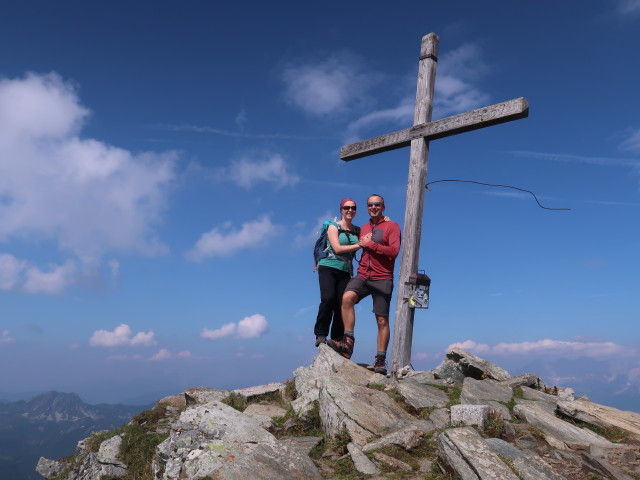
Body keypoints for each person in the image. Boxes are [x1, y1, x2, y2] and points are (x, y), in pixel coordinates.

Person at [327, 194, 401, 375]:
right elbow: (352, 238)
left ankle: (381, 359)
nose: (373, 207)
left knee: (382, 319)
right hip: (363, 275)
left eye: (377, 204)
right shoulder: (364, 228)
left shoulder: (392, 226)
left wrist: (371, 245)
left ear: (383, 207)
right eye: (370, 204)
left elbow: (394, 251)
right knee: (347, 298)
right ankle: (348, 342)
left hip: (383, 277)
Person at [313, 198, 362, 347]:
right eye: (346, 208)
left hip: (345, 270)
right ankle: (321, 334)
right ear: (341, 209)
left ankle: (336, 338)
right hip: (328, 265)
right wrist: (360, 244)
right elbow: (337, 248)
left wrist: (385, 219)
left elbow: (371, 235)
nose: (350, 210)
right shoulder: (333, 227)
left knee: (342, 304)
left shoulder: (357, 230)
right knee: (328, 299)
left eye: (353, 208)